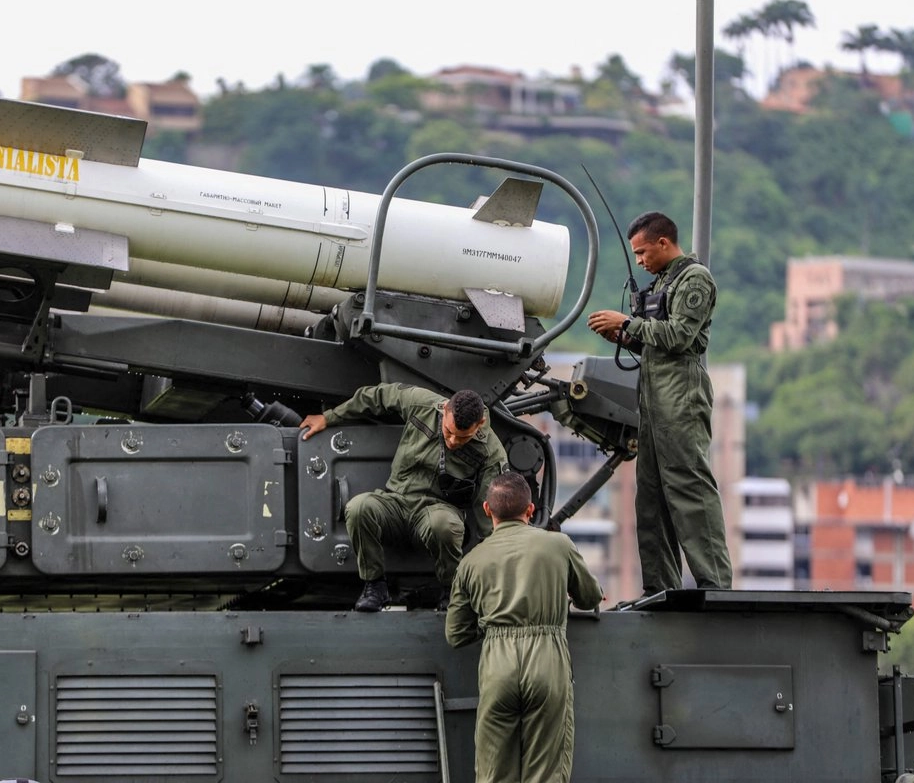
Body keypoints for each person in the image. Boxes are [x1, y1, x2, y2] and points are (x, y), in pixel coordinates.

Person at [586, 210, 732, 596]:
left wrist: (628, 324)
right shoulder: (663, 282)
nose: (640, 261)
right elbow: (654, 338)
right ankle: (659, 586)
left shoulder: (694, 279)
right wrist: (622, 335)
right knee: (650, 499)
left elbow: (681, 335)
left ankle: (714, 583)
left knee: (689, 488)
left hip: (680, 395)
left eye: (643, 252)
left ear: (664, 243)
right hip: (653, 397)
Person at [446, 471, 602, 783]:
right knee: (546, 772)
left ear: (487, 510)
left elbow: (456, 634)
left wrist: (492, 623)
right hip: (547, 660)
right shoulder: (558, 545)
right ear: (530, 511)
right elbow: (589, 597)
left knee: (493, 773)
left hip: (497, 665)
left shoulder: (472, 561)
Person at [300, 383, 508, 612]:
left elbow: (489, 509)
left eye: (462, 438)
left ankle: (452, 590)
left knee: (444, 526)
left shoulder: (490, 452)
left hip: (436, 510)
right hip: (396, 500)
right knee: (359, 508)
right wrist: (329, 418)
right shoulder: (421, 404)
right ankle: (375, 586)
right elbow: (377, 396)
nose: (452, 442)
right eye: (448, 432)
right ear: (444, 409)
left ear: (481, 424)